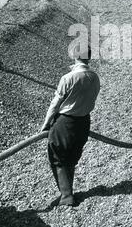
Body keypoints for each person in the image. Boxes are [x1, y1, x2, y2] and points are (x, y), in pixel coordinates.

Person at [40, 47, 100, 206]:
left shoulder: (68, 78)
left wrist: (46, 124)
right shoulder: (94, 77)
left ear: (74, 56)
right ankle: (69, 192)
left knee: (58, 158)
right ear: (89, 57)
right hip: (84, 122)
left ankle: (66, 196)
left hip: (65, 122)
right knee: (72, 157)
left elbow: (55, 104)